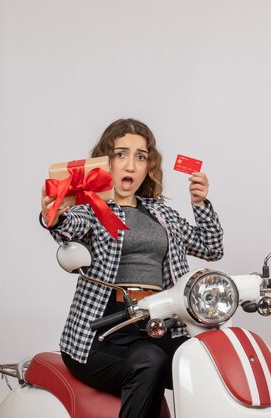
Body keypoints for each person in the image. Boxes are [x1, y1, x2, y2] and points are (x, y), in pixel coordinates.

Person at [40, 118, 224, 418]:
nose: (130, 165)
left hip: (159, 325)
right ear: (106, 161)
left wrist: (201, 202)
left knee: (206, 359)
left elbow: (211, 247)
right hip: (105, 332)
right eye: (121, 154)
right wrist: (54, 215)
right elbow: (67, 227)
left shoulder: (162, 213)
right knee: (149, 361)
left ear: (148, 165)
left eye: (140, 156)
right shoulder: (93, 209)